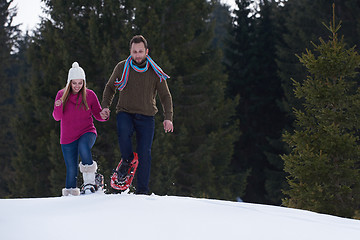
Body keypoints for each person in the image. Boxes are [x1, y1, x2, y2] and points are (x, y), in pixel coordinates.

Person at [100, 35, 173, 195]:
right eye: (134, 51)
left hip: (147, 116)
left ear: (146, 51)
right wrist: (105, 106)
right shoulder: (121, 67)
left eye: (140, 51)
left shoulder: (155, 71)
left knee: (144, 152)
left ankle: (142, 191)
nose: (137, 55)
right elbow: (110, 87)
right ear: (130, 52)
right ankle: (126, 161)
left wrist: (168, 117)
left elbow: (165, 96)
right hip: (125, 111)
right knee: (123, 132)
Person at [53, 62, 107, 196]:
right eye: (74, 83)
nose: (77, 86)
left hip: (87, 131)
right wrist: (58, 105)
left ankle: (90, 183)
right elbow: (57, 117)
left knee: (83, 146)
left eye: (80, 83)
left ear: (84, 82)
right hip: (67, 138)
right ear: (69, 83)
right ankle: (71, 195)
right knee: (71, 169)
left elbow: (97, 114)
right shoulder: (61, 94)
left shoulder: (90, 95)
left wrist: (104, 115)